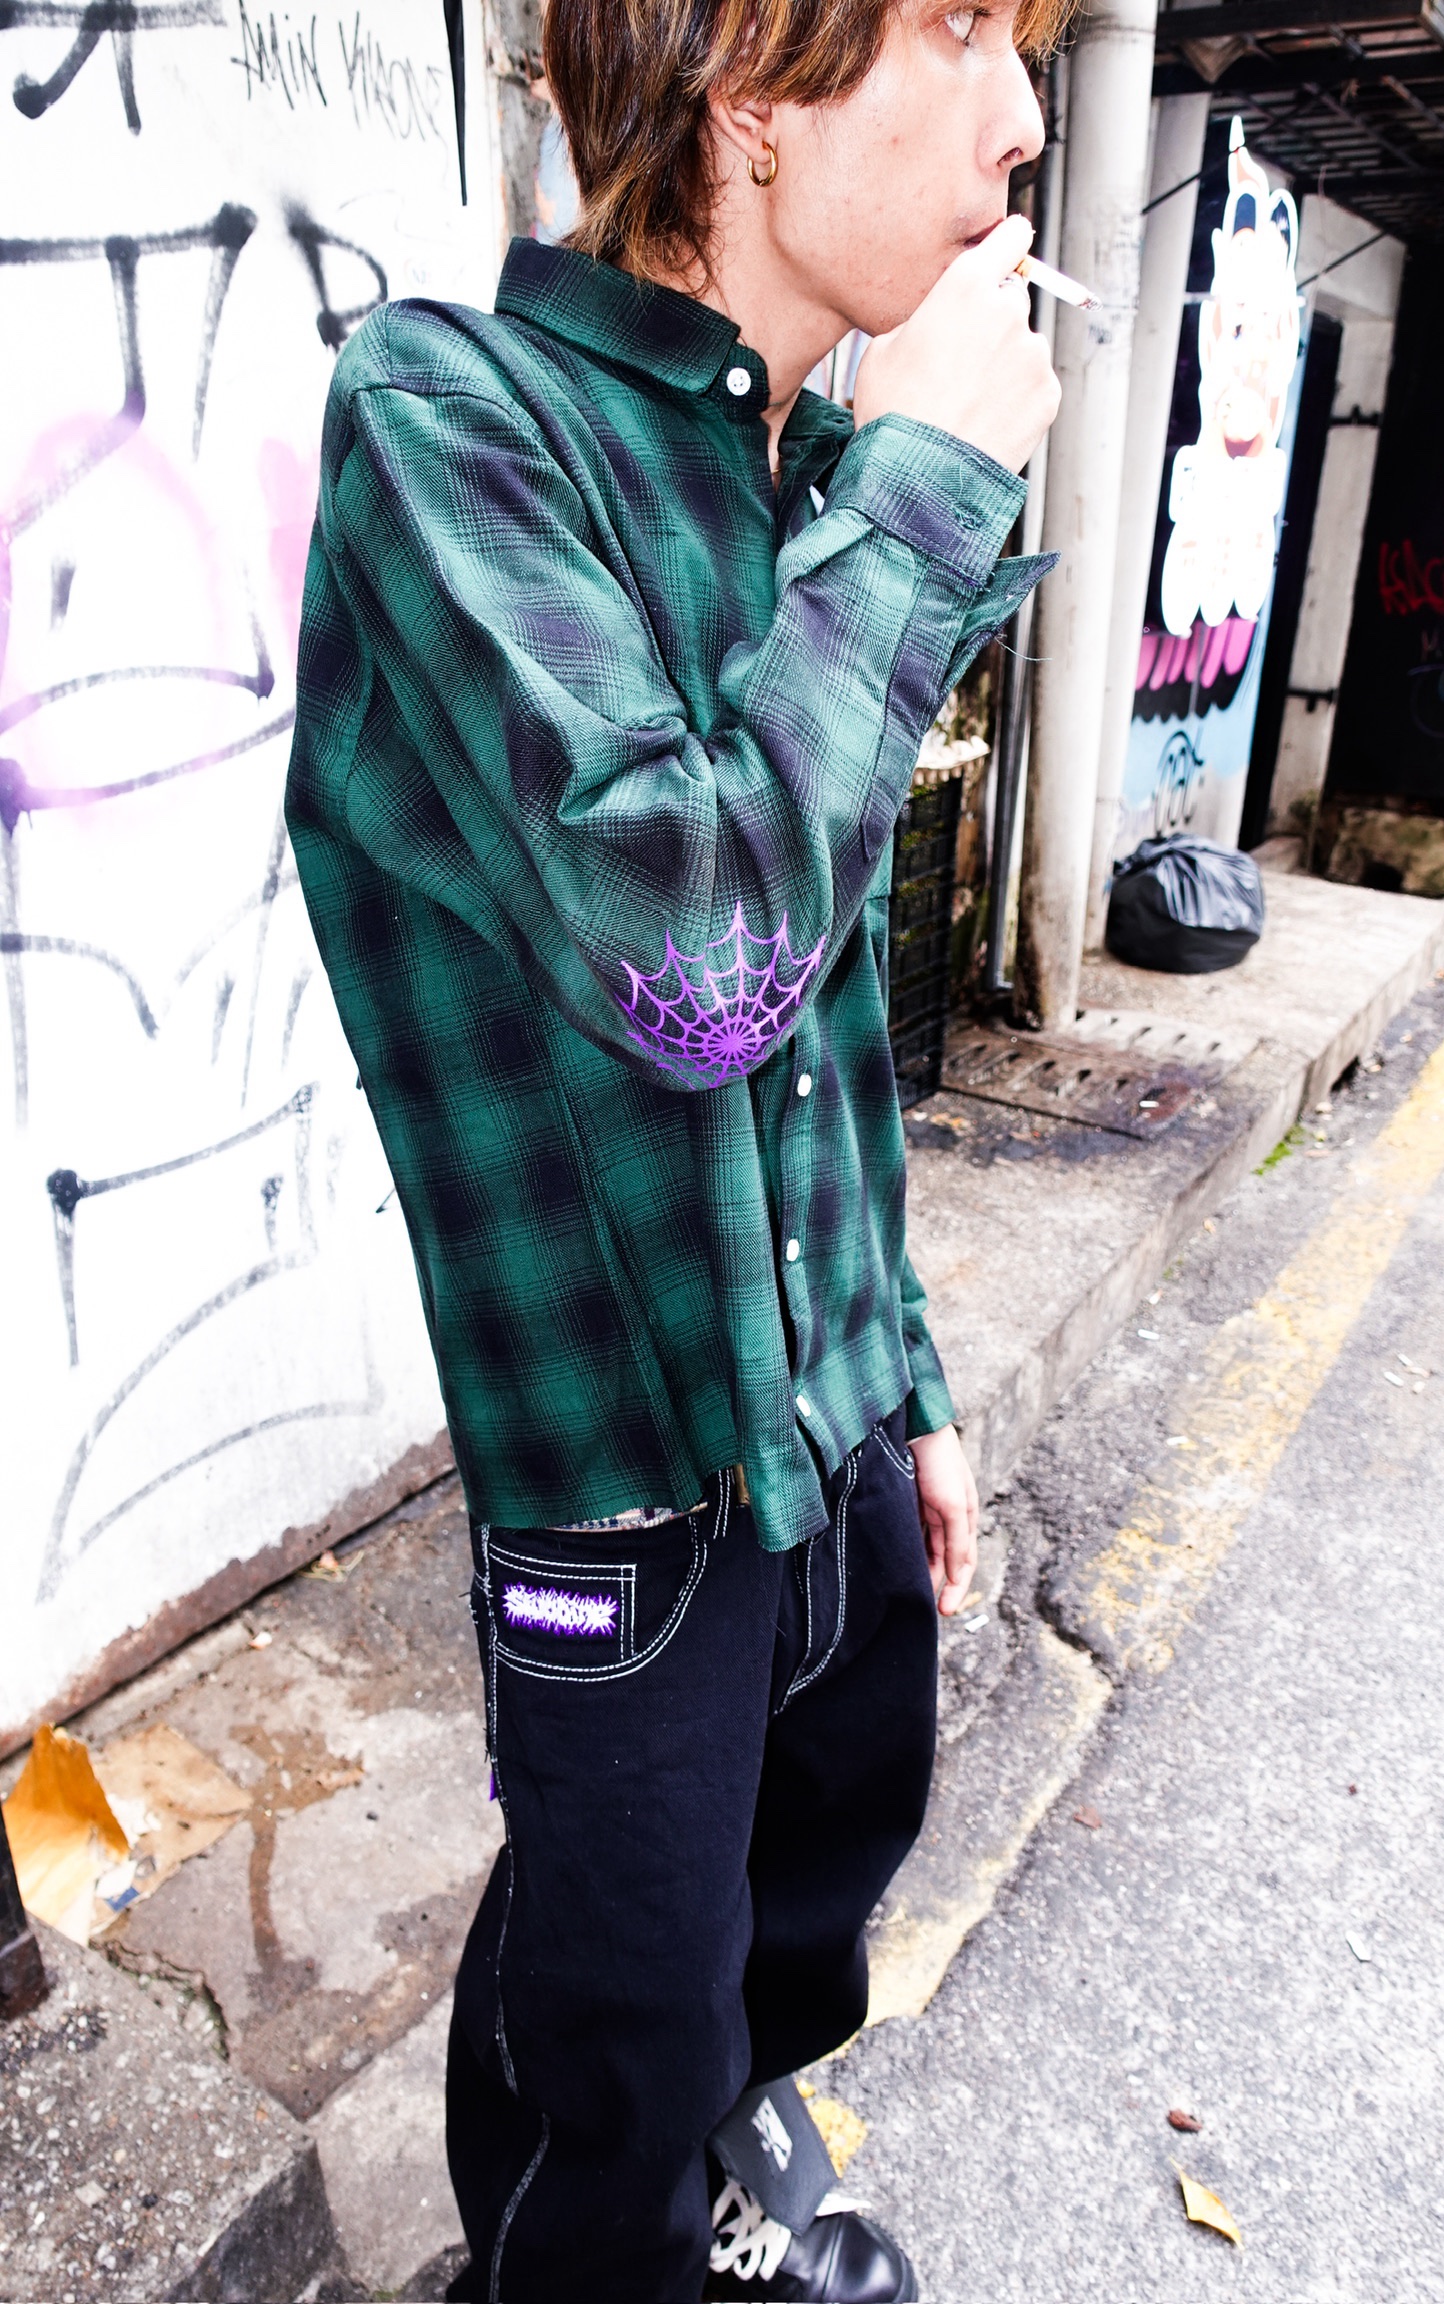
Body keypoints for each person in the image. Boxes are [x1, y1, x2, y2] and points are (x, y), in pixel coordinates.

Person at [286, 0, 1063, 2291]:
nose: (1026, 120)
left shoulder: (802, 475)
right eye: (963, 29)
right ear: (752, 83)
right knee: (611, 2026)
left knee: (801, 1888)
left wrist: (905, 1369)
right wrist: (931, 491)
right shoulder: (452, 418)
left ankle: (715, 2155)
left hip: (827, 1420)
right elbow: (700, 957)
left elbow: (821, 1004)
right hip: (624, 1476)